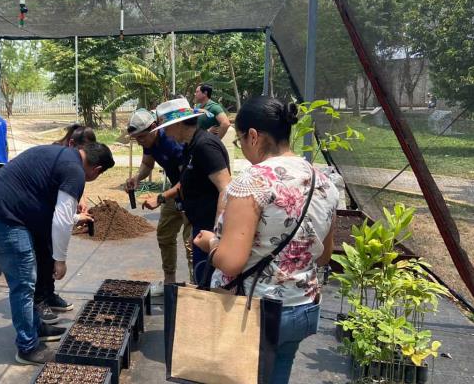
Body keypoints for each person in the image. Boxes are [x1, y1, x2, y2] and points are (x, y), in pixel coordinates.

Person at [193, 96, 339, 384]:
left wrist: (211, 244)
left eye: (240, 141)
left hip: (254, 312)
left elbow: (232, 263)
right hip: (302, 307)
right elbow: (324, 256)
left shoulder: (253, 182)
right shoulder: (324, 180)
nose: (243, 148)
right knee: (277, 375)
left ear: (254, 136)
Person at [0, 142, 115, 365]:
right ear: (97, 170)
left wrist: (75, 218)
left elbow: (47, 207)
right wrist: (60, 260)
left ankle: (36, 327)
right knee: (24, 283)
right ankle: (27, 348)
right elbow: (60, 220)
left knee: (28, 278)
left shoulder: (62, 155)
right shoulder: (75, 171)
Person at [154, 97, 231, 282]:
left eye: (166, 126)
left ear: (179, 124)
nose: (165, 132)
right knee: (201, 276)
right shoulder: (191, 146)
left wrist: (216, 234)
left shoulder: (205, 146)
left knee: (208, 281)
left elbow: (226, 188)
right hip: (200, 226)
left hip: (210, 229)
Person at [31, 123, 97, 325]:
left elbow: (77, 177)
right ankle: (38, 301)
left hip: (52, 209)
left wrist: (80, 198)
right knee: (43, 256)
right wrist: (62, 259)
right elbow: (60, 217)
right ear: (72, 144)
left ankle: (49, 294)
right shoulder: (57, 153)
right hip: (38, 211)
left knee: (51, 254)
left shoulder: (74, 157)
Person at [124, 108, 194, 287]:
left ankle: (196, 289)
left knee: (191, 245)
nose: (140, 142)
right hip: (174, 190)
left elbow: (186, 182)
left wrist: (161, 198)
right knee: (164, 235)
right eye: (136, 138)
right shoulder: (149, 142)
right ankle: (169, 283)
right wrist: (137, 178)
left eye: (141, 137)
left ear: (154, 127)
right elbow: (148, 163)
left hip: (193, 193)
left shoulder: (173, 142)